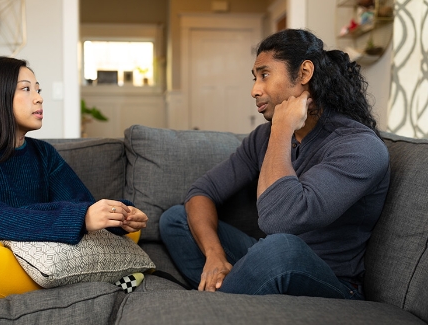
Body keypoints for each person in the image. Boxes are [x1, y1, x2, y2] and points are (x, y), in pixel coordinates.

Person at [159, 29, 390, 300]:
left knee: (280, 248)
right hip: (270, 258)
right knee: (175, 218)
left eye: (264, 74)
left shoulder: (360, 147)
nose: (254, 90)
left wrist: (282, 128)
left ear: (304, 73)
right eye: (255, 78)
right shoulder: (262, 137)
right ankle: (225, 290)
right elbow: (201, 192)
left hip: (330, 281)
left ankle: (212, 306)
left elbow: (280, 221)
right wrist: (215, 257)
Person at [0, 56, 148, 300]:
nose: (39, 97)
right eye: (26, 89)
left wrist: (119, 215)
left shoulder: (43, 154)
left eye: (38, 89)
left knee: (124, 231)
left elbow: (82, 204)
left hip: (37, 255)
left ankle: (73, 286)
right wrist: (80, 218)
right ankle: (97, 284)